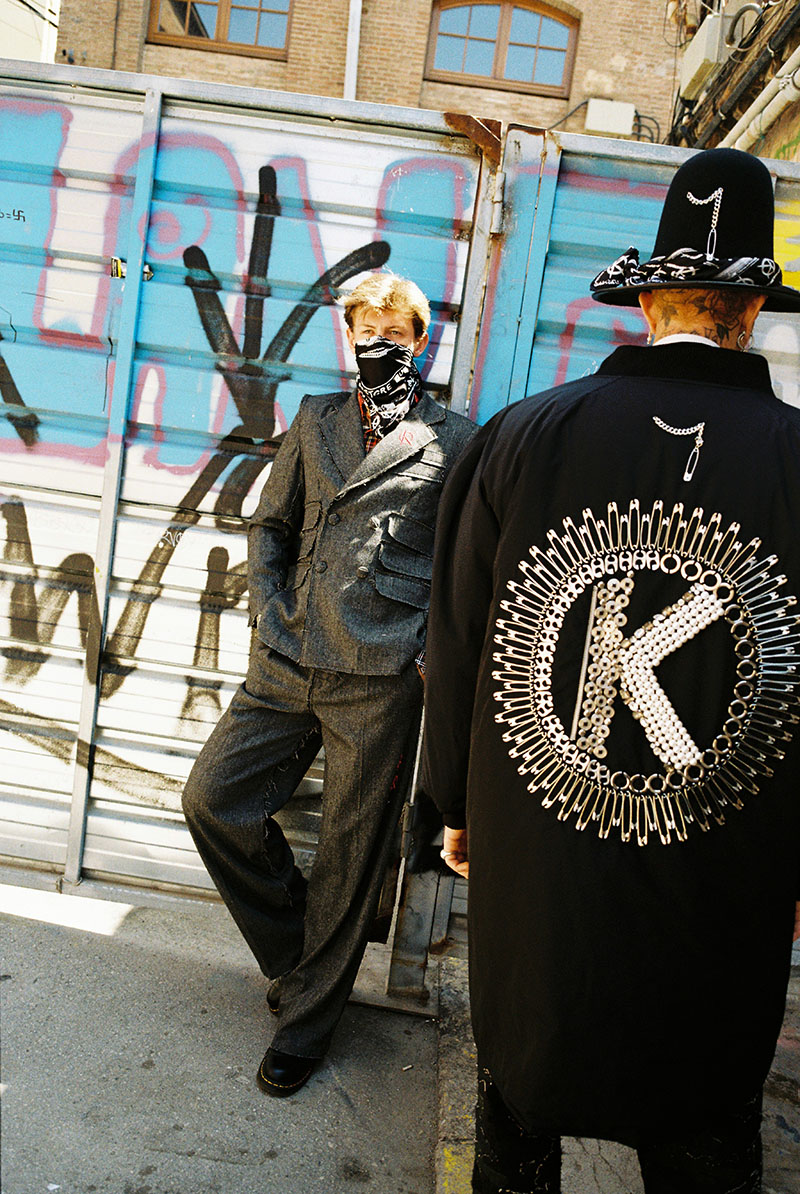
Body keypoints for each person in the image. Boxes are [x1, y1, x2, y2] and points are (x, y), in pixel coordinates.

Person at [420, 148, 800, 1193]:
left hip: (535, 861)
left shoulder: (519, 435)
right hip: (727, 877)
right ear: (752, 307)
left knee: (517, 1110)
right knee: (704, 1134)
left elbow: (455, 644)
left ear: (645, 299)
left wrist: (454, 805)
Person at [182, 272, 475, 1097]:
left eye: (393, 335)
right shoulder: (316, 419)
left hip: (379, 677)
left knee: (349, 856)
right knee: (213, 800)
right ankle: (297, 960)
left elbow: (465, 562)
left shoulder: (454, 438)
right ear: (349, 338)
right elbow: (270, 524)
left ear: (421, 341)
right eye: (364, 334)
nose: (377, 347)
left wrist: (424, 650)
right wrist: (268, 612)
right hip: (288, 657)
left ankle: (305, 1027)